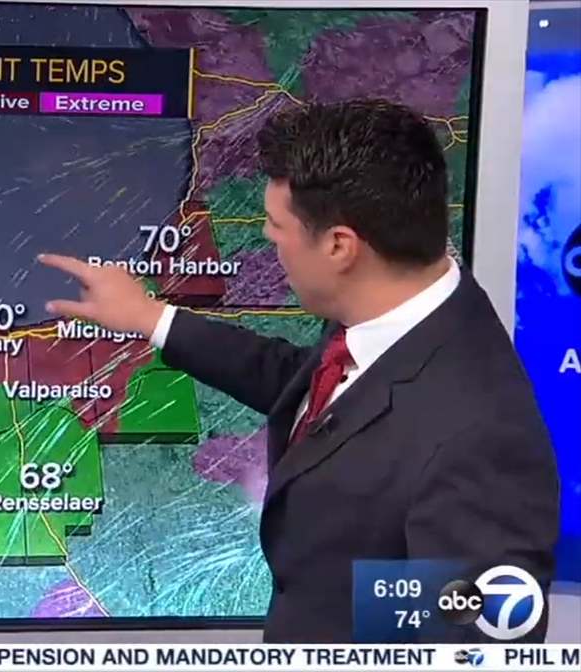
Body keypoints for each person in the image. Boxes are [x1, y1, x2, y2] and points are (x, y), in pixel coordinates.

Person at [38, 99, 560, 642]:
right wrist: (151, 317)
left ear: (339, 246)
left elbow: (469, 636)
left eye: (276, 224)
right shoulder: (395, 308)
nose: (267, 237)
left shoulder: (479, 435)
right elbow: (320, 391)